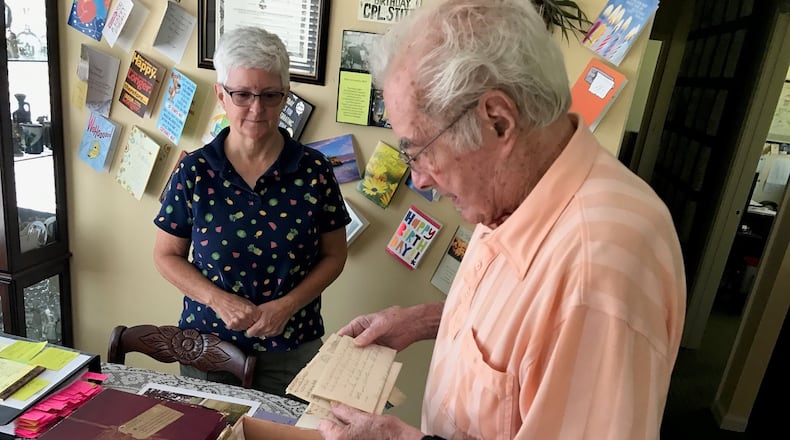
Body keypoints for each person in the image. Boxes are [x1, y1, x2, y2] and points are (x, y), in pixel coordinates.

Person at [317, 0, 686, 438]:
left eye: (419, 150)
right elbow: (528, 332)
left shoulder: (598, 270)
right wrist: (422, 319)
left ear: (497, 121)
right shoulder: (517, 195)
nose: (419, 178)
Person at [153, 26, 350, 396]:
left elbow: (335, 255)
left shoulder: (315, 171)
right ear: (221, 95)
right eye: (242, 94)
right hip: (207, 347)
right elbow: (165, 256)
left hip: (293, 348)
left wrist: (286, 306)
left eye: (270, 95)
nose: (257, 109)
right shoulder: (195, 171)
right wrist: (219, 300)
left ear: (285, 95)